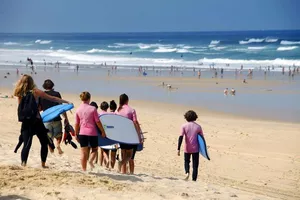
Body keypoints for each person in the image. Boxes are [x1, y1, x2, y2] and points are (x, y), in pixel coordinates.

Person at [13, 75, 70, 168]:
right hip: (37, 121)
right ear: (32, 82)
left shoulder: (19, 93)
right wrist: (66, 102)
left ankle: (23, 164)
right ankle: (43, 164)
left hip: (26, 122)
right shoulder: (36, 92)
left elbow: (20, 108)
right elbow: (52, 98)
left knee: (26, 144)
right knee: (44, 143)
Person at [75, 92, 106, 171]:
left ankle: (84, 170)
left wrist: (76, 134)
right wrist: (103, 131)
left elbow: (77, 123)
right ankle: (91, 161)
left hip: (82, 133)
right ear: (89, 98)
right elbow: (97, 121)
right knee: (95, 149)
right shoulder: (93, 109)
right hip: (92, 133)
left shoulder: (78, 109)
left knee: (83, 153)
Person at [39, 79, 69, 154]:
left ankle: (51, 150)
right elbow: (60, 107)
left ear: (44, 86)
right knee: (59, 135)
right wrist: (66, 118)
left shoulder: (42, 95)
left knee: (48, 136)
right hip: (56, 118)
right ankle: (58, 144)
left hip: (47, 119)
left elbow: (39, 108)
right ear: (52, 85)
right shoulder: (57, 94)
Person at [116, 94, 142, 174]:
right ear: (127, 100)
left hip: (121, 136)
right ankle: (125, 168)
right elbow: (135, 123)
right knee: (130, 155)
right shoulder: (131, 110)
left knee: (124, 154)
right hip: (130, 135)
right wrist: (139, 135)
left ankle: (123, 172)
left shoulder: (117, 111)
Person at [177, 110, 203, 181]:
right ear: (195, 117)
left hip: (187, 148)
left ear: (186, 117)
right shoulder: (198, 127)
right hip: (195, 149)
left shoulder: (184, 126)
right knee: (195, 165)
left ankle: (187, 172)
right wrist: (203, 149)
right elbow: (201, 139)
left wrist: (178, 149)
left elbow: (181, 137)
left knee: (186, 161)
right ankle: (194, 179)